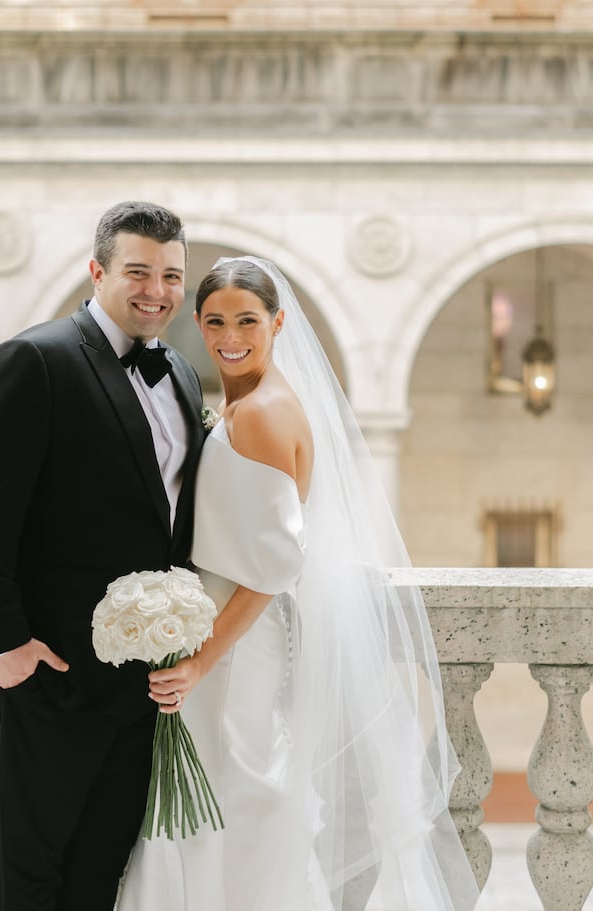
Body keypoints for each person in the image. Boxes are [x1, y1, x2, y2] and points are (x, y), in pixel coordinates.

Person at [118, 257, 481, 911]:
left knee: (240, 801)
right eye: (217, 321)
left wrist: (200, 661)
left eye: (248, 320)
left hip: (235, 646)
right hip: (223, 633)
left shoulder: (263, 413)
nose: (231, 335)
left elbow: (271, 571)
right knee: (218, 811)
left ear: (277, 321)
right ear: (198, 325)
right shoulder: (245, 401)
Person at [0, 201, 207, 911]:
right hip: (47, 676)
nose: (158, 290)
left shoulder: (181, 373)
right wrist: (3, 648)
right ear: (98, 271)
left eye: (173, 275)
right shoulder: (32, 360)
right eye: (139, 271)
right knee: (29, 879)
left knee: (100, 873)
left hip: (138, 685)